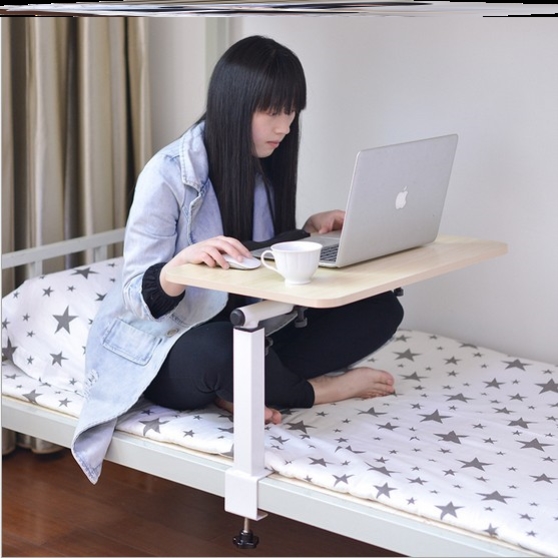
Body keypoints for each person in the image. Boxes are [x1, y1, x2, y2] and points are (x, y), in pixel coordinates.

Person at [71, 35, 404, 484]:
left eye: (291, 113)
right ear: (234, 105)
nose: (284, 127)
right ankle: (313, 391)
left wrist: (306, 234)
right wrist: (179, 267)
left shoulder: (262, 167)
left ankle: (240, 387)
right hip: (168, 345)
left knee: (381, 307)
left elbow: (254, 262)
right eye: (272, 112)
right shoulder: (167, 174)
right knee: (223, 349)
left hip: (249, 327)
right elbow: (136, 296)